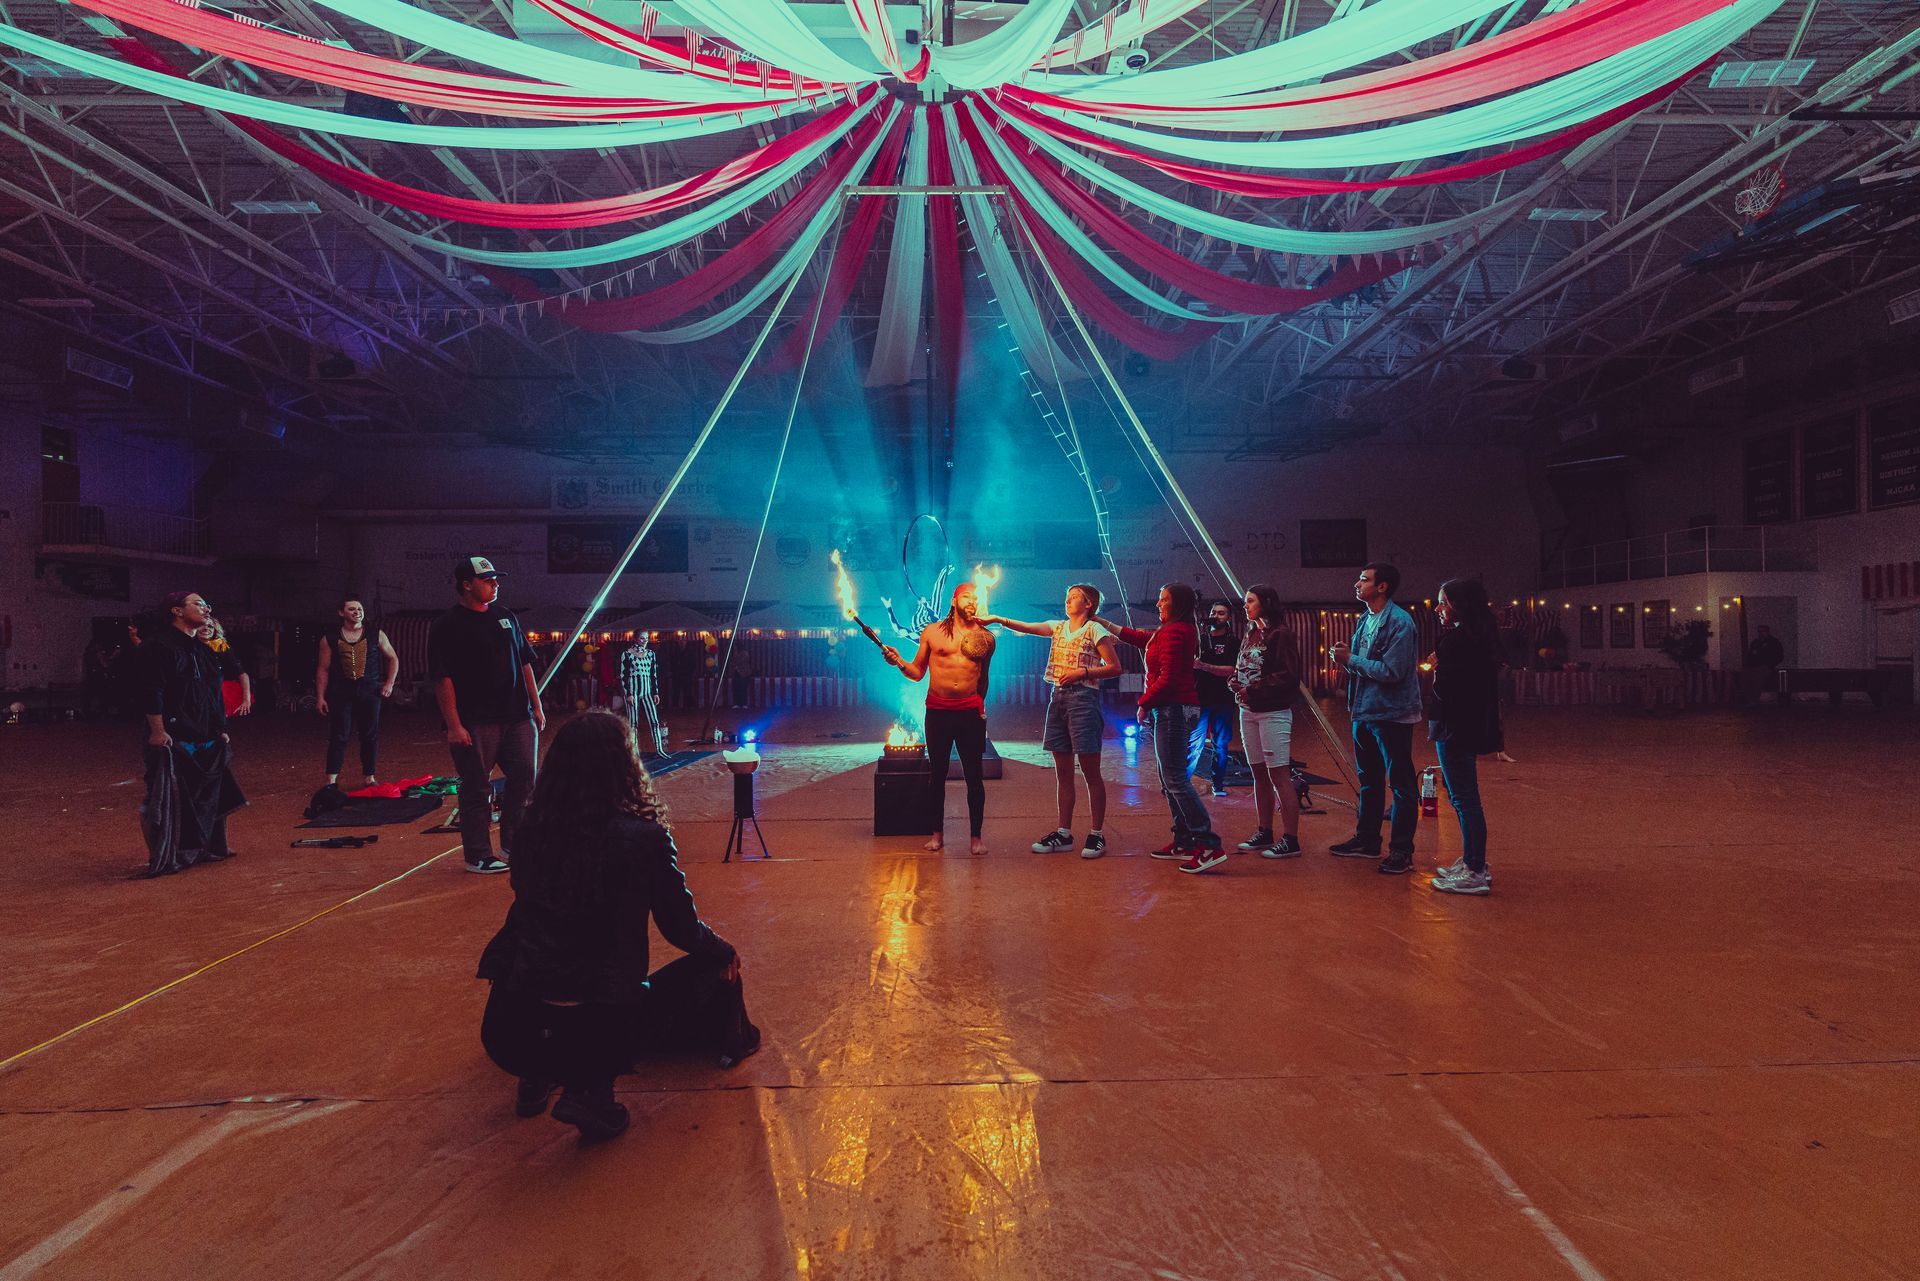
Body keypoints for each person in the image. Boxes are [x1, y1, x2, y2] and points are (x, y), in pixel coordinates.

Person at [476, 711, 755, 1141]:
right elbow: (682, 930)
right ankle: (592, 1091)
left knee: (540, 953)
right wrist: (724, 949)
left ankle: (539, 1072)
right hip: (605, 1021)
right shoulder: (643, 838)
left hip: (509, 1029)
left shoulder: (529, 830)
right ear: (626, 767)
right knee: (709, 967)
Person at [982, 584, 1121, 859]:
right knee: (1063, 773)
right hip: (1057, 699)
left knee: (1091, 772)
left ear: (1089, 604)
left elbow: (1115, 667)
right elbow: (1028, 627)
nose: (1067, 600)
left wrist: (1083, 672)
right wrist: (998, 619)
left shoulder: (1095, 630)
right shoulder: (1058, 627)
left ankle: (1096, 834)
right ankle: (1064, 832)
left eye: (1074, 597)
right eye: (1067, 596)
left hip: (1084, 700)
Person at [427, 556, 545, 875]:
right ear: (467, 584)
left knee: (525, 780)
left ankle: (513, 844)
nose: (495, 583)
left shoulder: (506, 617)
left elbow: (524, 663)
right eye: (487, 579)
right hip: (475, 722)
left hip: (517, 716)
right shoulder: (446, 625)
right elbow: (442, 677)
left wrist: (536, 706)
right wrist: (453, 725)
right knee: (477, 787)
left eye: (496, 578)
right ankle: (478, 855)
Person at [1098, 584, 1224, 872]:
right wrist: (1104, 623)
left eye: (1163, 599)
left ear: (1177, 603)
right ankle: (1184, 841)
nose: (1158, 604)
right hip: (1168, 709)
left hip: (1175, 710)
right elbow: (1140, 638)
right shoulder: (1166, 631)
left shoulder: (1178, 632)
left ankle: (1208, 844)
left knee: (1176, 780)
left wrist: (1143, 703)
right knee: (1169, 781)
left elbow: (1168, 678)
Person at [880, 582, 995, 856]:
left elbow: (984, 677)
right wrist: (898, 661)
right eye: (967, 596)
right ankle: (937, 835)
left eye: (975, 598)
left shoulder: (986, 638)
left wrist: (980, 708)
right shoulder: (932, 632)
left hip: (970, 713)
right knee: (937, 775)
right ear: (954, 600)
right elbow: (917, 672)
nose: (972, 601)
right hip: (938, 713)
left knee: (974, 778)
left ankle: (976, 838)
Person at [135, 590, 246, 876]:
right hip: (173, 735)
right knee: (163, 796)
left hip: (206, 734)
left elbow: (212, 696)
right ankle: (163, 855)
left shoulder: (204, 650)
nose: (206, 608)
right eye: (198, 603)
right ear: (176, 611)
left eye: (207, 604)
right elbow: (152, 691)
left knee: (210, 794)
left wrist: (220, 729)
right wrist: (157, 731)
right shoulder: (158, 646)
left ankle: (209, 847)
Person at [1330, 563, 1422, 874]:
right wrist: (1348, 661)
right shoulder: (1365, 620)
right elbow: (1365, 666)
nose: (1356, 583)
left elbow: (1393, 672)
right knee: (1369, 781)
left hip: (1392, 714)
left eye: (1364, 579)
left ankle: (1401, 851)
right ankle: (1367, 840)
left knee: (1401, 784)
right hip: (1364, 711)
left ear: (1382, 587)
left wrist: (1350, 659)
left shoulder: (1400, 623)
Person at [1209, 584, 1303, 860]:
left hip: (1272, 712)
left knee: (1278, 774)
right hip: (1247, 710)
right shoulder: (1251, 633)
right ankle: (1264, 830)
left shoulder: (1280, 635)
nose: (1245, 606)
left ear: (1267, 603)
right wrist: (1236, 682)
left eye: (1250, 601)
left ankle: (1291, 838)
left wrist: (1255, 688)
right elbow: (1244, 666)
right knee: (1258, 772)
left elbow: (1288, 675)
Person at [1426, 578, 1504, 896]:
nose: (1438, 609)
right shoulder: (1481, 638)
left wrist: (1435, 669)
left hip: (1453, 725)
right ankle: (1473, 860)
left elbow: (1445, 689)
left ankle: (1474, 869)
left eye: (1443, 602)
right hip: (1470, 724)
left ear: (1460, 605)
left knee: (1464, 799)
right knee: (1462, 798)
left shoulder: (1455, 641)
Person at [316, 598, 396, 788]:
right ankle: (331, 781)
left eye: (359, 608)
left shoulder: (376, 634)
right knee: (339, 734)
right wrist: (320, 696)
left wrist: (389, 683)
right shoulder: (330, 638)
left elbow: (393, 658)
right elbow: (323, 669)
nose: (357, 612)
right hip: (341, 692)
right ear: (341, 613)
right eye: (352, 609)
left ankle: (369, 777)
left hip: (369, 691)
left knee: (369, 734)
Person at [1191, 599, 1241, 797]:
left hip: (1224, 699)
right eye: (1214, 612)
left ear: (1228, 617)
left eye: (1221, 613)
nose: (1217, 616)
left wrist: (1205, 666)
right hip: (1201, 697)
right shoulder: (1200, 641)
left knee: (1221, 744)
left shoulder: (1234, 642)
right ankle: (1184, 783)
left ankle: (1218, 784)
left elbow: (1231, 670)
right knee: (1195, 742)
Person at [618, 632, 669, 756]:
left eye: (646, 638)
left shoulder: (651, 654)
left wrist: (656, 693)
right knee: (633, 722)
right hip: (633, 691)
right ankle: (633, 751)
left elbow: (653, 675)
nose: (645, 640)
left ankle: (659, 749)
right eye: (642, 638)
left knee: (654, 720)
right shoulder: (627, 654)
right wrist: (628, 694)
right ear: (635, 638)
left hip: (647, 692)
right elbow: (623, 676)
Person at [197, 617, 253, 719]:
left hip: (218, 693)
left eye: (210, 626)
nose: (206, 628)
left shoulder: (222, 647)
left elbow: (242, 674)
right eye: (202, 625)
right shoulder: (187, 647)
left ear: (215, 630)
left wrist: (246, 700)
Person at [1746, 624, 1786, 702]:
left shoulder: (1774, 642)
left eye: (1762, 631)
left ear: (1767, 632)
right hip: (1754, 667)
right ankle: (1746, 698)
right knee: (1746, 676)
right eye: (1759, 631)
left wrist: (1769, 665)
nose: (1760, 633)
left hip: (1766, 667)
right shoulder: (1755, 642)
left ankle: (1753, 700)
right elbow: (1750, 655)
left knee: (1757, 679)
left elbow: (1779, 656)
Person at [729, 643, 755, 710]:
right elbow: (731, 662)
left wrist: (735, 657)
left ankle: (744, 703)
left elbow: (739, 661)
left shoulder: (745, 653)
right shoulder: (735, 654)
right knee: (736, 688)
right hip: (736, 673)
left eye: (735, 647)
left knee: (743, 689)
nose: (734, 648)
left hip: (744, 673)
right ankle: (736, 703)